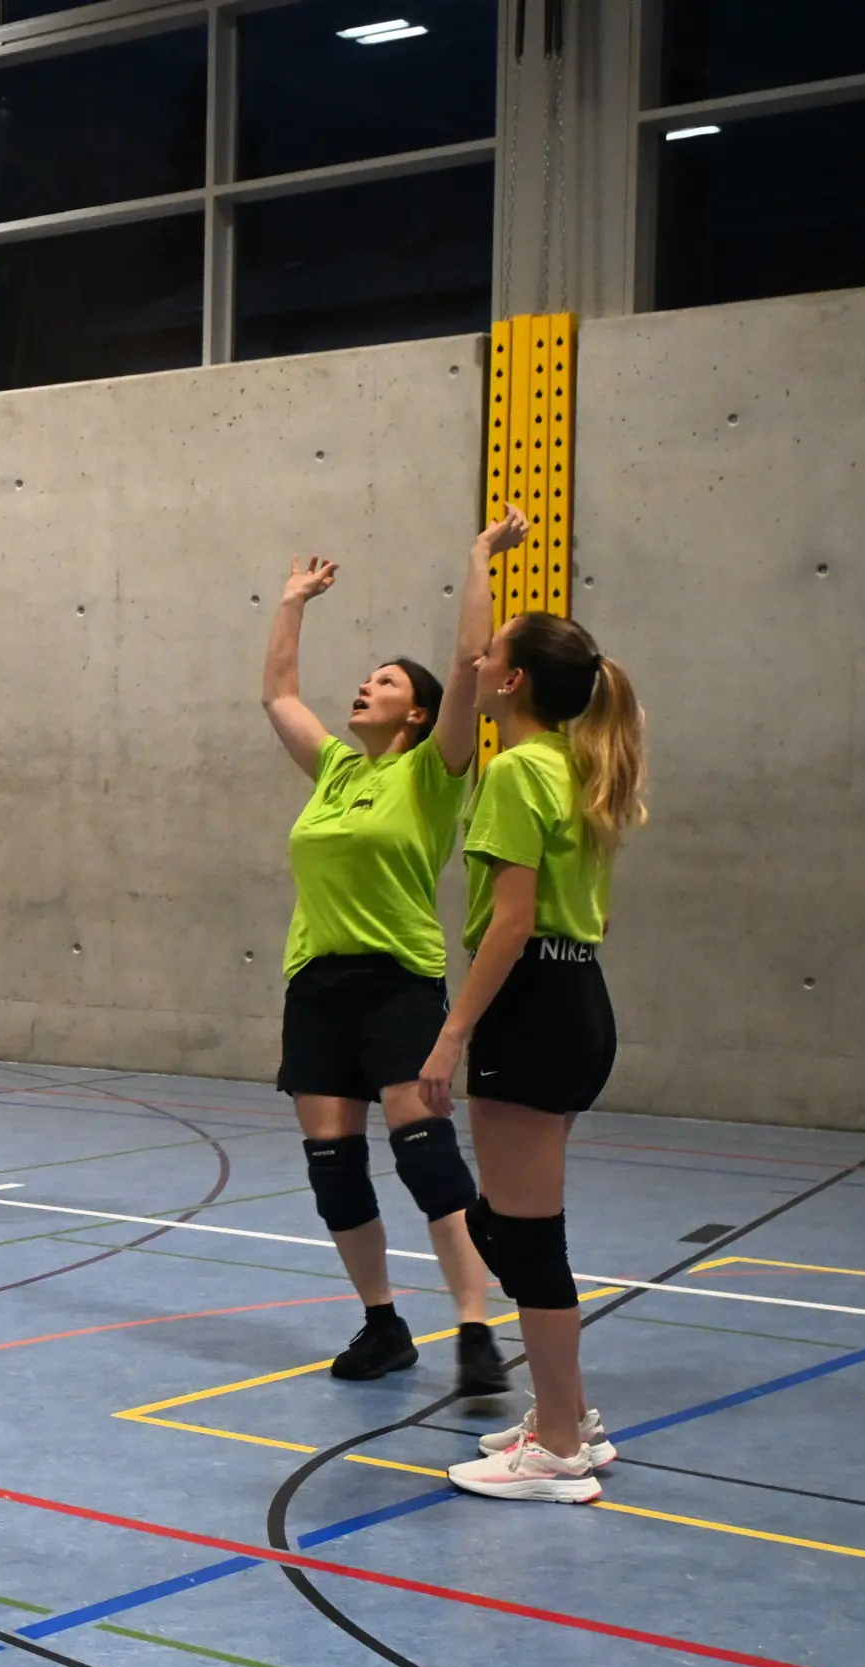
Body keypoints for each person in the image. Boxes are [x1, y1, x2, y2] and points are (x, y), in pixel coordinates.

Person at [259, 513, 529, 1396]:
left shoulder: (432, 771)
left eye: (381, 681)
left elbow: (465, 664)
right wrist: (293, 604)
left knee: (425, 1156)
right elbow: (277, 696)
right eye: (364, 677)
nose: (363, 687)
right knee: (334, 1166)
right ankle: (383, 1323)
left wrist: (477, 555)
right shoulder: (337, 772)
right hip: (318, 985)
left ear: (414, 712)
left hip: (398, 982)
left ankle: (477, 1325)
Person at [435, 612, 647, 1502]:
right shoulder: (575, 765)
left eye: (491, 655)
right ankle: (568, 1417)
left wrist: (451, 1034)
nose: (478, 663)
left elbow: (512, 921)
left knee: (523, 1235)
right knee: (514, 1224)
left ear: (513, 682)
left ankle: (556, 1446)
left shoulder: (520, 770)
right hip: (576, 999)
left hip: (531, 1005)